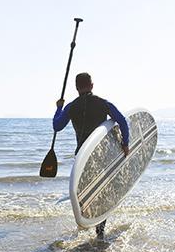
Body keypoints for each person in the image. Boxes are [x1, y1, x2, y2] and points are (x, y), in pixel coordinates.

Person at [53, 72, 129, 238]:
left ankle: (85, 220)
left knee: (86, 191)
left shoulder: (71, 107)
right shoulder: (103, 103)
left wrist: (59, 107)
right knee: (102, 190)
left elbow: (57, 126)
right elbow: (122, 121)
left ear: (76, 87)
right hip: (100, 156)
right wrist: (125, 144)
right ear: (92, 85)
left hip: (82, 157)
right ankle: (99, 231)